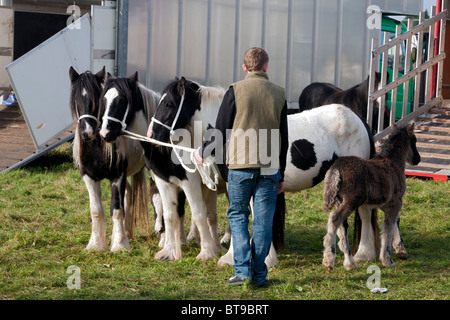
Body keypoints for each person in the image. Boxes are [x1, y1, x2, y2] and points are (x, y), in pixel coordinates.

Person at [194, 47, 288, 287]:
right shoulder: (279, 93)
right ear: (266, 66)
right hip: (269, 167)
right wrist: (282, 175)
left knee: (238, 214)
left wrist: (203, 151)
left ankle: (242, 271)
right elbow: (284, 138)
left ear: (245, 68)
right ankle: (259, 275)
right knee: (263, 220)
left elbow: (221, 129)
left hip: (240, 166)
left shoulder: (234, 91)